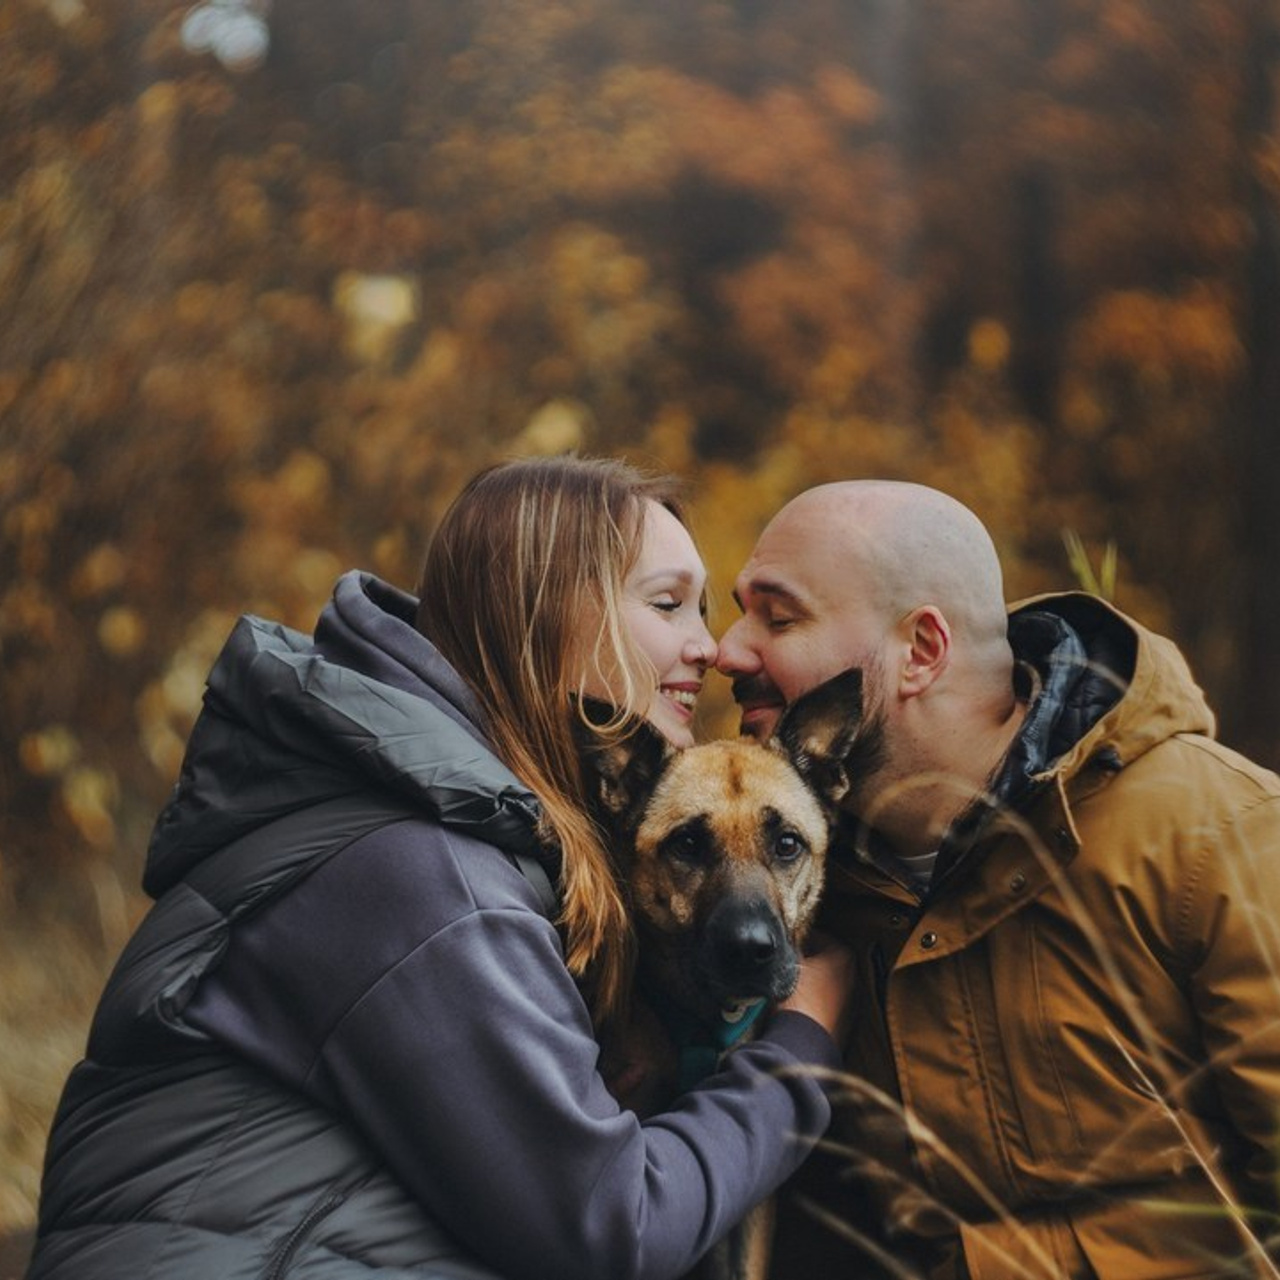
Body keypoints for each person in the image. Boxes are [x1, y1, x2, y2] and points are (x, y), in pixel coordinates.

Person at [25, 455, 852, 1280]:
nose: (710, 647)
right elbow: (611, 1228)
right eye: (668, 604)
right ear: (539, 617)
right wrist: (798, 1050)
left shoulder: (442, 822)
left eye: (703, 610)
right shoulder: (428, 874)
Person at [716, 479, 1280, 1280]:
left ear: (922, 651)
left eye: (778, 618)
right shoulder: (803, 886)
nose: (727, 651)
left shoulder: (1223, 835)